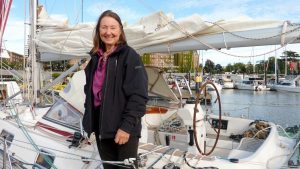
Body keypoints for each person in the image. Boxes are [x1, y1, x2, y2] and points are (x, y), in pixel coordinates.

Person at [82, 10, 148, 169]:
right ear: (98, 31)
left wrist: (126, 127)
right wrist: (88, 123)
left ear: (120, 31)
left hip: (123, 128)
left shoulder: (129, 56)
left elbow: (138, 95)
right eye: (104, 27)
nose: (108, 32)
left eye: (113, 28)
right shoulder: (94, 59)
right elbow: (89, 94)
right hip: (101, 128)